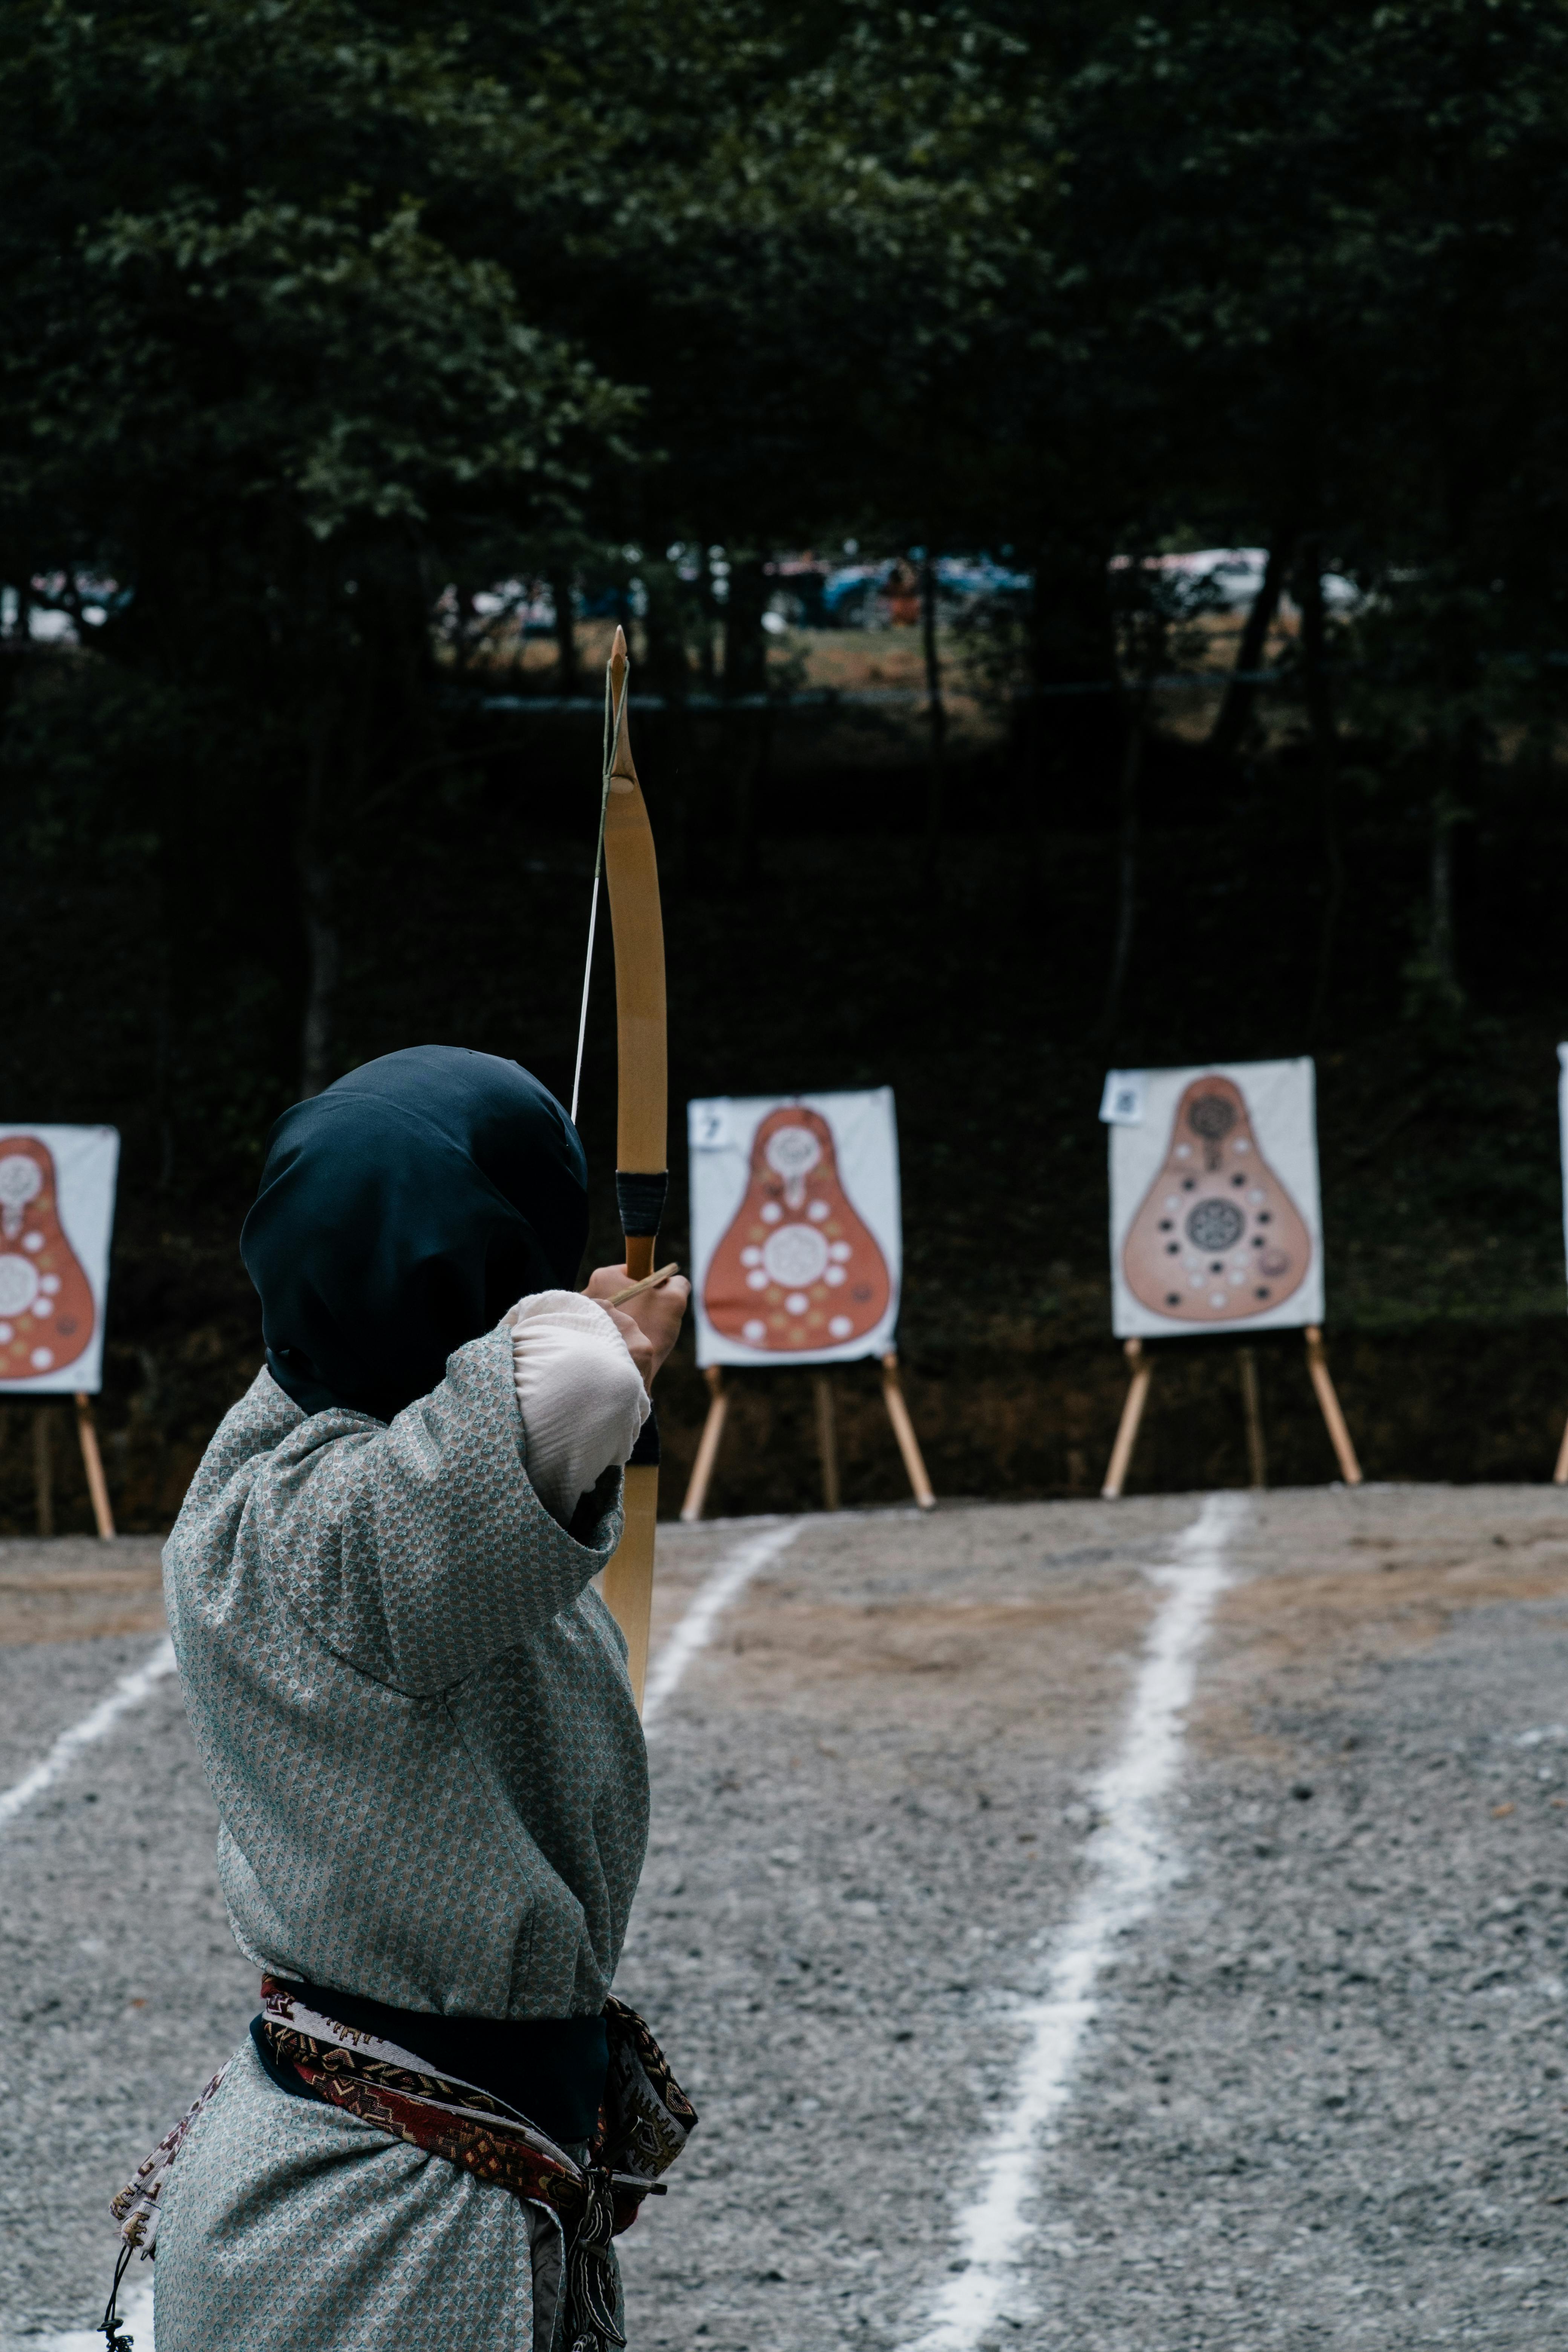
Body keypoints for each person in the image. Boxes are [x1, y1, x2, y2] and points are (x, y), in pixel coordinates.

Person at [108, 1045, 693, 2352]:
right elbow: (583, 1385)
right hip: (378, 2232)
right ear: (487, 1268)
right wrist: (598, 1326)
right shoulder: (355, 1529)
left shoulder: (298, 1414)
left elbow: (506, 1409)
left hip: (378, 2175)